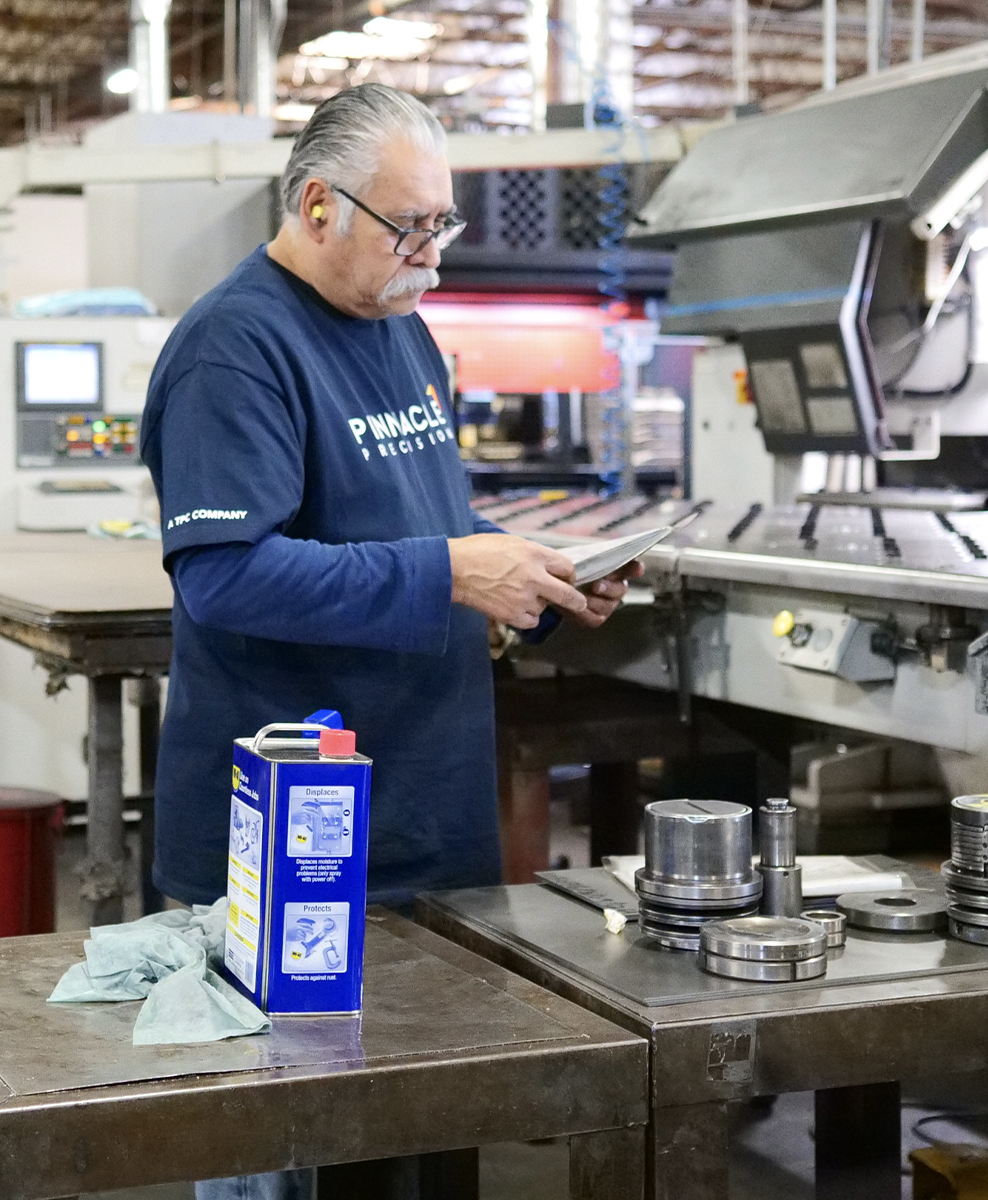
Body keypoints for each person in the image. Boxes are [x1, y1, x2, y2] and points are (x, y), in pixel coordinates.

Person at [139, 84, 636, 1200]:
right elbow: (224, 575)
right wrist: (454, 571)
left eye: (442, 225)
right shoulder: (235, 349)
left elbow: (423, 538)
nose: (433, 254)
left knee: (414, 1146)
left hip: (420, 819)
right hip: (287, 850)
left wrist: (530, 582)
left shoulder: (403, 333)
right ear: (318, 203)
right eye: (408, 226)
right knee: (290, 1154)